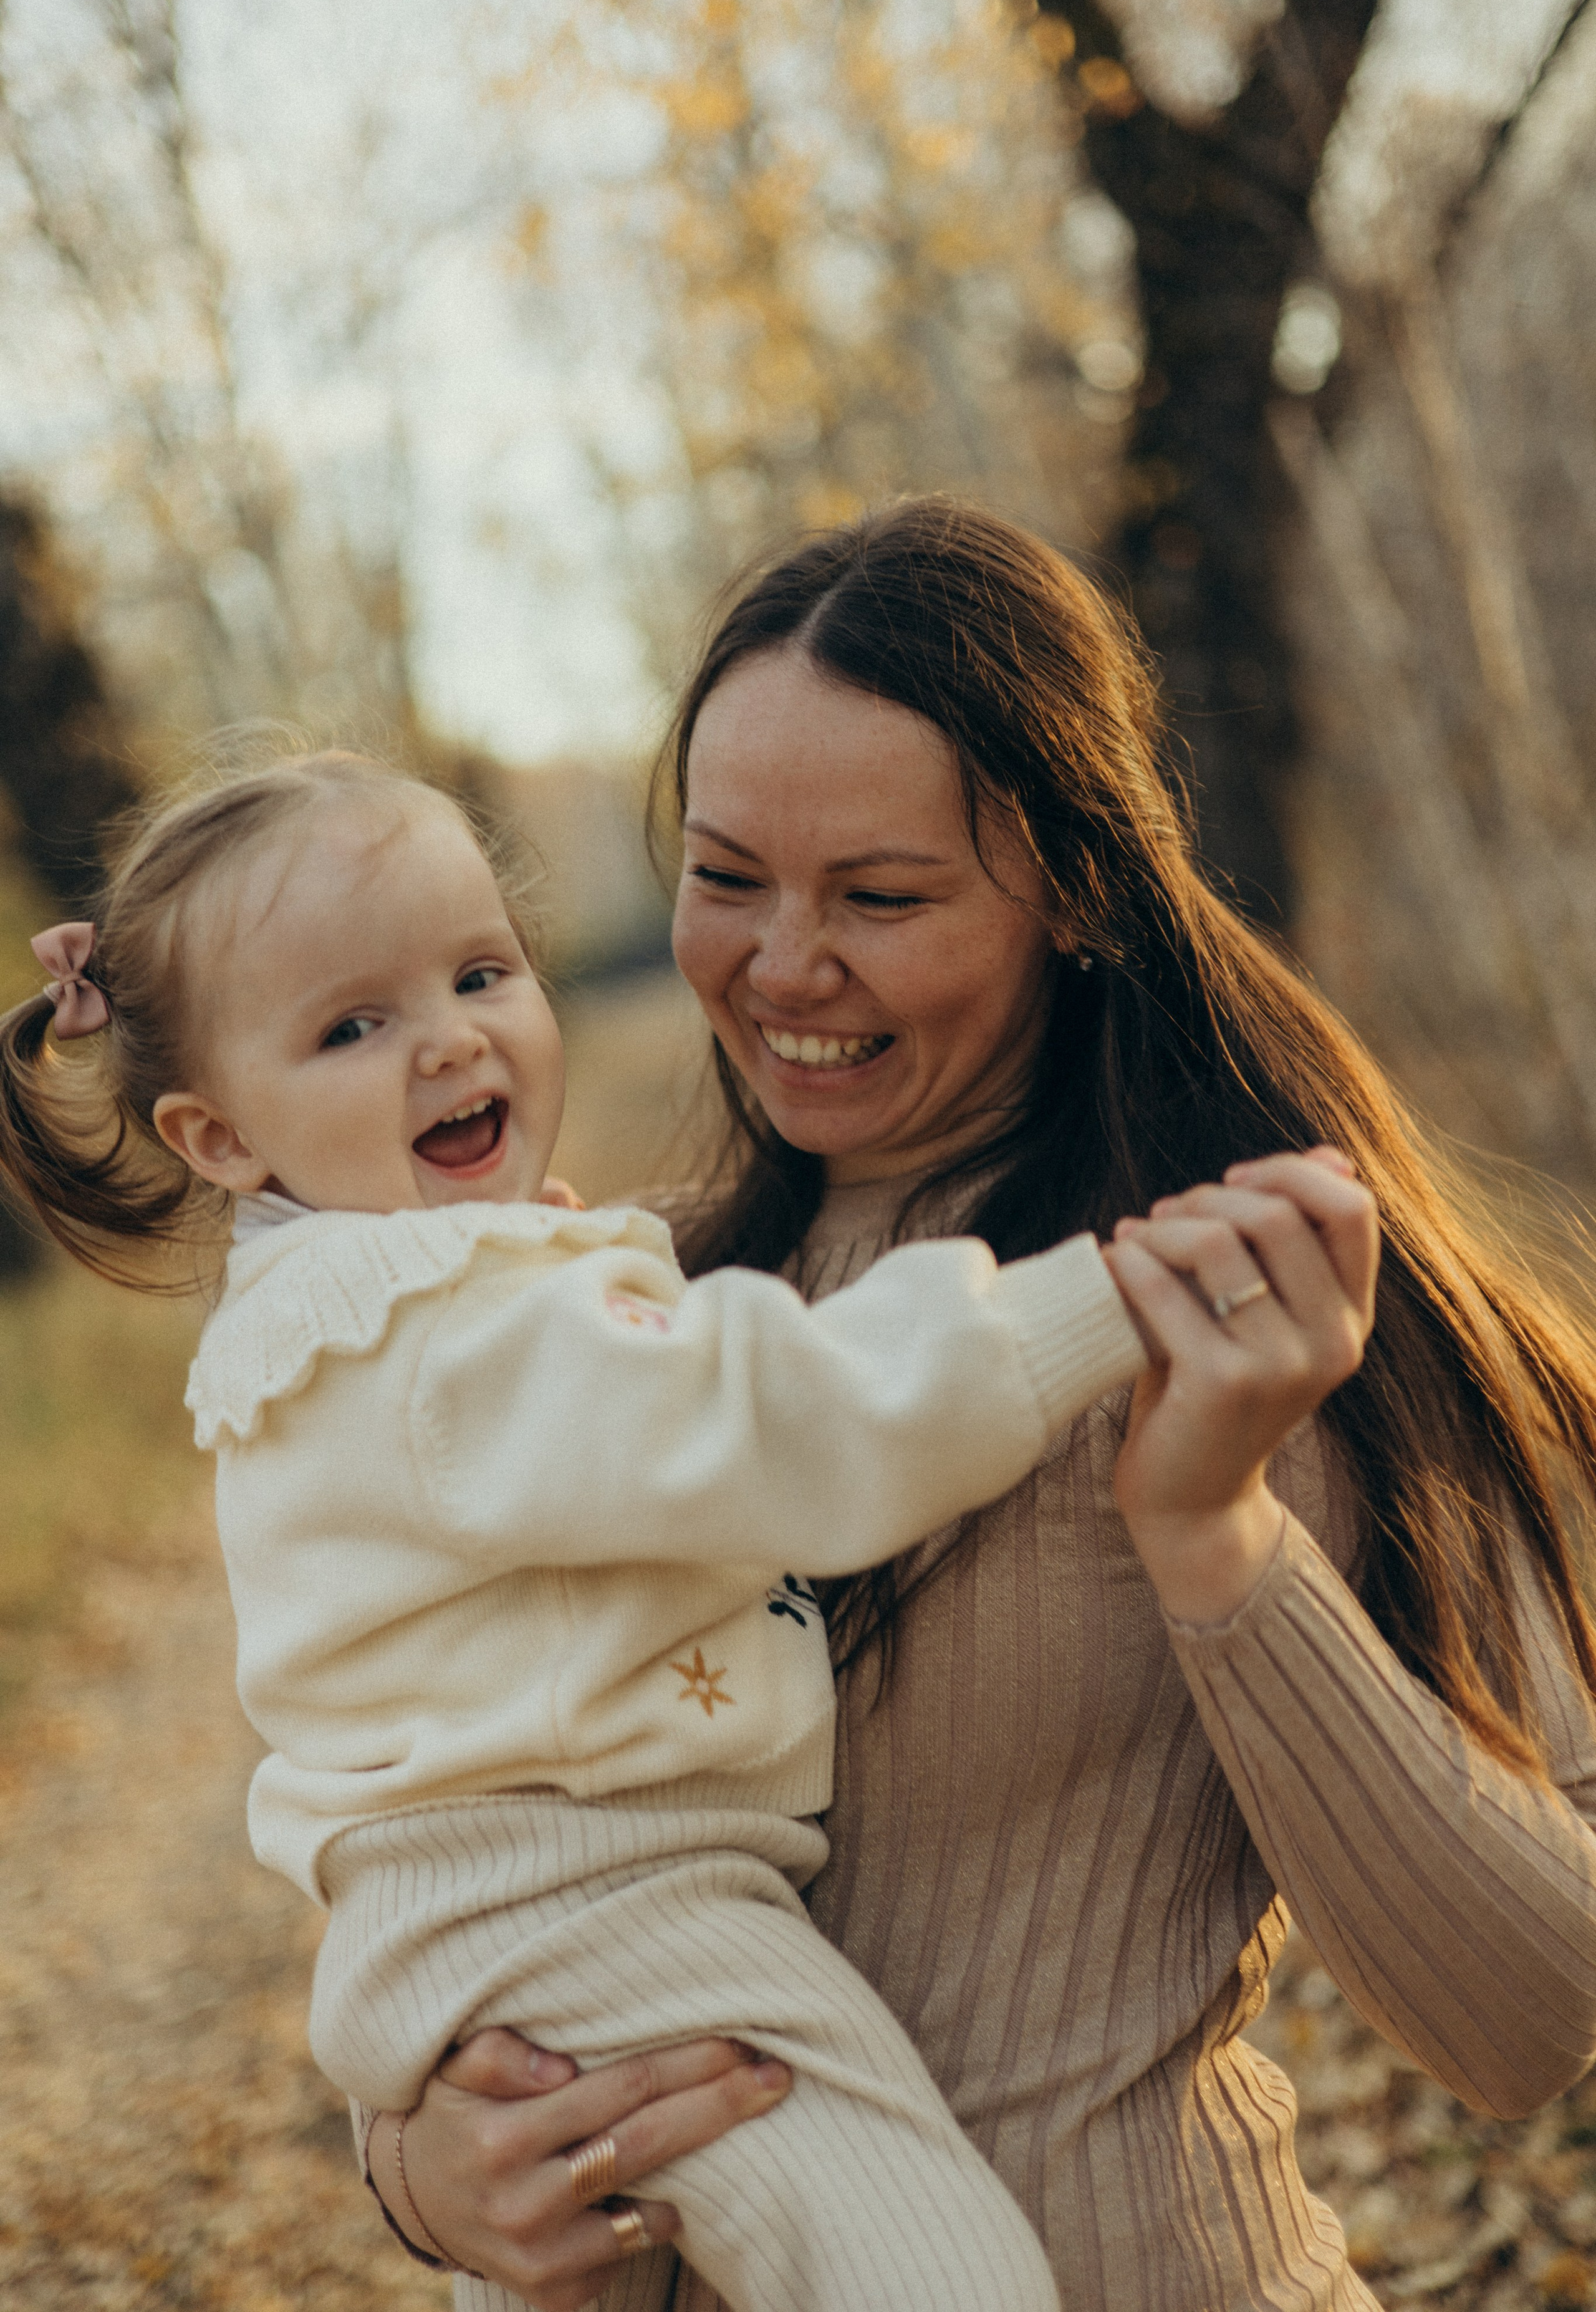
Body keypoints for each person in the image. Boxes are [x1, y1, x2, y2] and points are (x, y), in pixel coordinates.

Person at [372, 499, 1596, 2312]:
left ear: (1082, 891)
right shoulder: (619, 1330)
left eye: (880, 897)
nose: (783, 967)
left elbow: (1529, 2022)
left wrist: (1215, 1536)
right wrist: (423, 2164)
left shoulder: (1257, 1318)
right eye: (727, 879)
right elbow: (435, 1851)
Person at [0, 749, 1344, 2312]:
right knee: (935, 2271)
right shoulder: (436, 1334)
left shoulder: (410, 1297)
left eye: (478, 971)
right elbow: (776, 1420)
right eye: (352, 1026)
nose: (446, 1042)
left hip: (536, 1921)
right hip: (589, 1904)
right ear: (221, 1142)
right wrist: (1097, 1298)